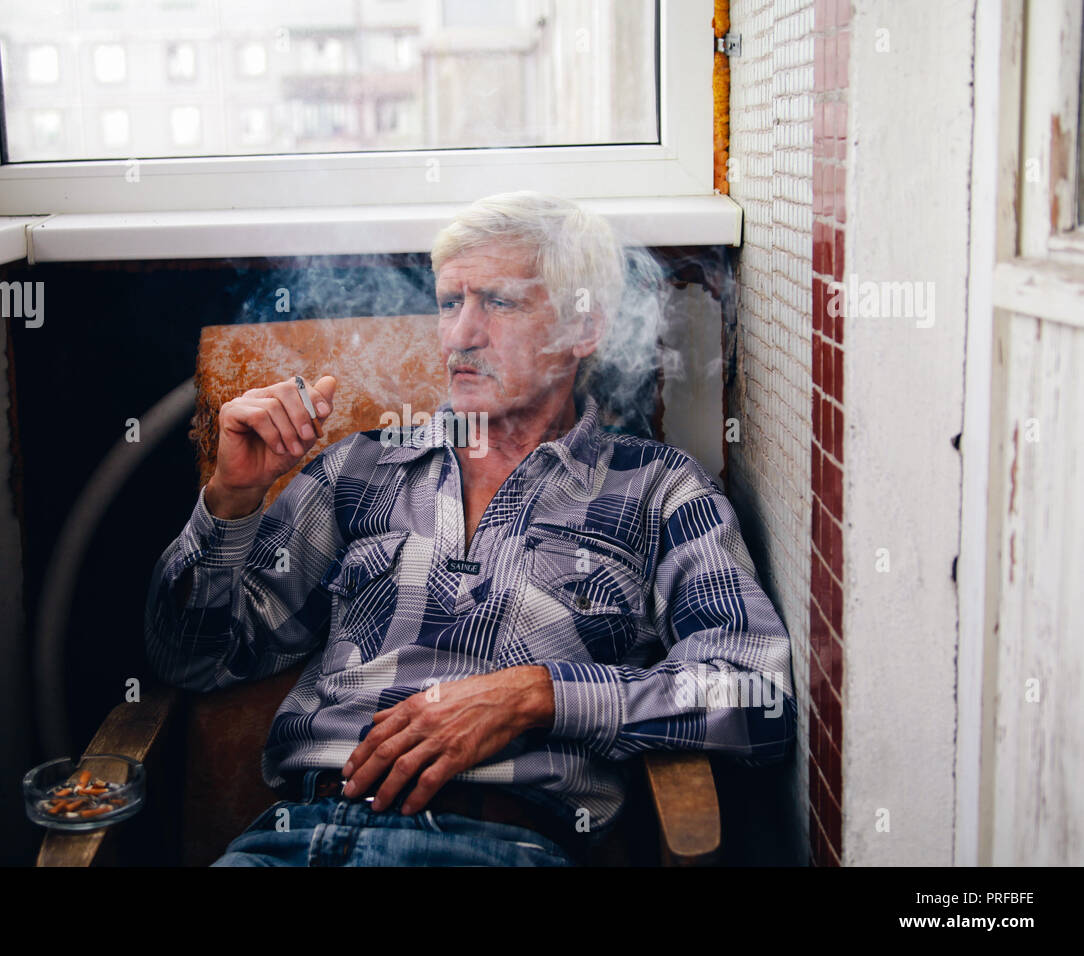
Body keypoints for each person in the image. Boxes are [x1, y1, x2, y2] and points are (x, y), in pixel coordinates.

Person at [144, 190, 796, 866]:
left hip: (502, 846)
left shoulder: (657, 489)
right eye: (450, 303)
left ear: (583, 330)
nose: (460, 335)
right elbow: (191, 659)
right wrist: (232, 498)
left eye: (500, 303)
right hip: (292, 840)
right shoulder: (359, 469)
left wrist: (537, 696)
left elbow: (756, 699)